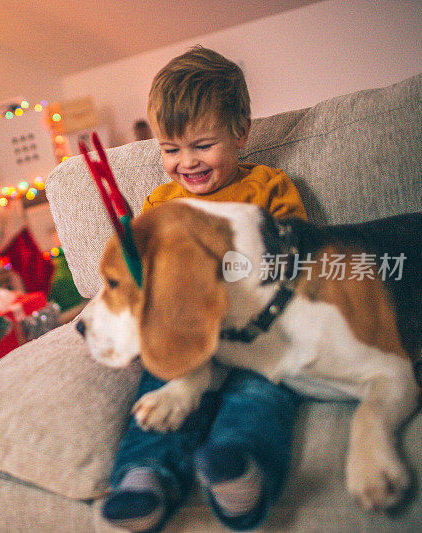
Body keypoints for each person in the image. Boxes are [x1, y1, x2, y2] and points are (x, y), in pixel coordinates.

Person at [101, 46, 307, 532]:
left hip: (258, 336)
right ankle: (145, 476)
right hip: (187, 337)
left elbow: (298, 255)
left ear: (241, 133)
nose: (186, 162)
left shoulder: (269, 187)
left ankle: (239, 469)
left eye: (201, 145)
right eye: (170, 150)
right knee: (160, 387)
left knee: (259, 393)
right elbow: (140, 277)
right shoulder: (161, 203)